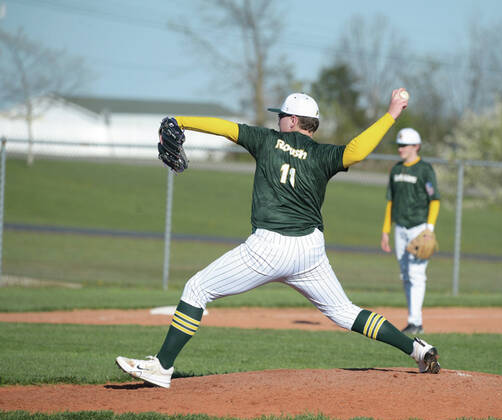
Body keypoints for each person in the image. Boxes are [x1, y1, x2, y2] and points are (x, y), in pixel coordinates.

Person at [116, 89, 440, 389]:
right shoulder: (323, 155)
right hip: (310, 251)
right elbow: (356, 151)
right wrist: (391, 114)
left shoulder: (266, 140)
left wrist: (181, 121)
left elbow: (225, 128)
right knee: (346, 312)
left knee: (197, 288)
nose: (277, 120)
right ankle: (416, 350)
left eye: (281, 116)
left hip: (269, 248)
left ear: (294, 121)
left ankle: (162, 366)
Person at [380, 128, 441, 335]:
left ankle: (416, 321)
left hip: (418, 228)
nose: (400, 149)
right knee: (405, 274)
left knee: (416, 274)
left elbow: (435, 200)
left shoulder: (425, 170)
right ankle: (412, 321)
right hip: (400, 228)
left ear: (416, 146)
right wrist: (385, 231)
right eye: (399, 145)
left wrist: (428, 230)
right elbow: (390, 201)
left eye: (404, 145)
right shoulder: (396, 170)